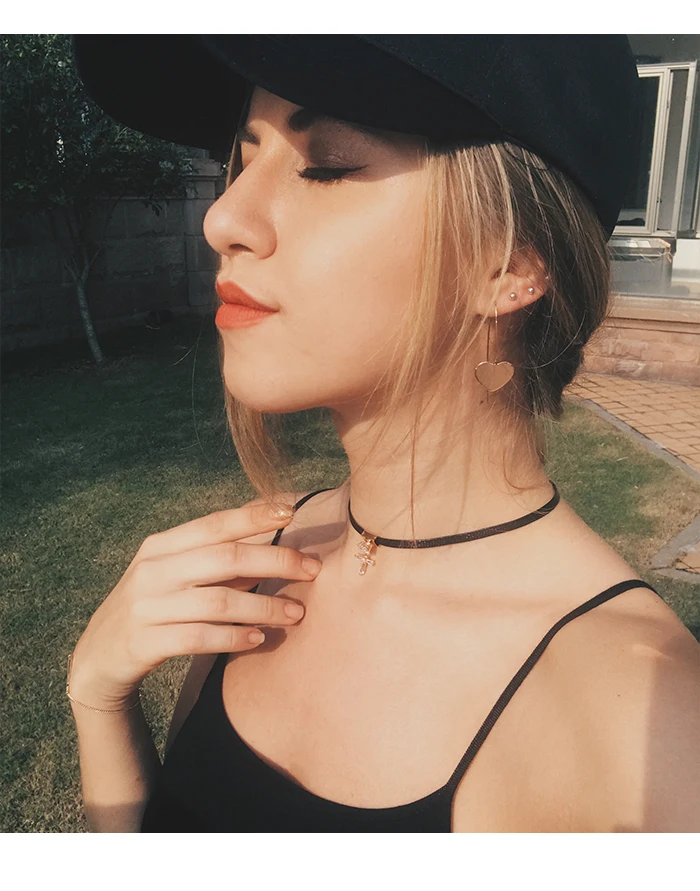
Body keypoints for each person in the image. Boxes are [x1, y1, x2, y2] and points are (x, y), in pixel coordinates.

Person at [67, 35, 700, 833]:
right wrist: (99, 697)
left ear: (511, 264)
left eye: (326, 164)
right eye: (243, 156)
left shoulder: (652, 735)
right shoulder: (265, 561)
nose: (222, 218)